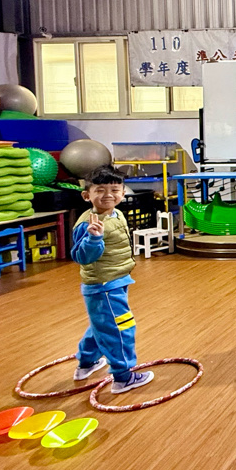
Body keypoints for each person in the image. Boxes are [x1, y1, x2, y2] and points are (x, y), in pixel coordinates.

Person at [70, 164, 154, 394]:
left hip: (117, 279)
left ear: (123, 193)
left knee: (101, 323)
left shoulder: (117, 213)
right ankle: (123, 377)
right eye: (100, 190)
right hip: (103, 285)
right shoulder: (88, 223)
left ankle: (86, 363)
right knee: (120, 327)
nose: (108, 195)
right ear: (86, 195)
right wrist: (94, 238)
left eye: (114, 190)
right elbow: (80, 257)